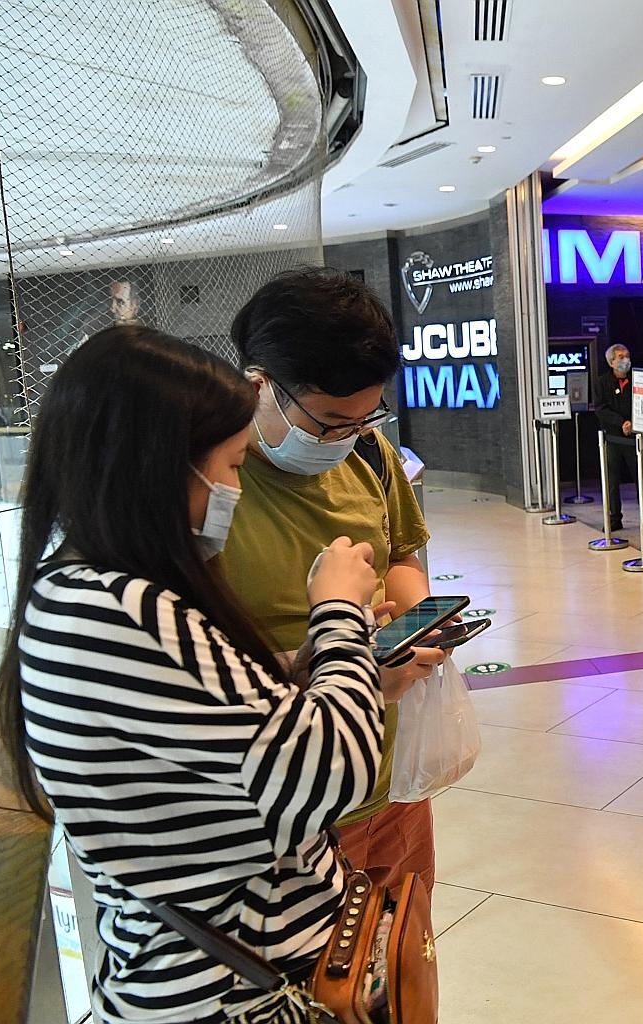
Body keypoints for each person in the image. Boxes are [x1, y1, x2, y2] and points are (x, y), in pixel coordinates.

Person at [0, 326, 388, 1023]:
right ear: (159, 468)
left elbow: (216, 731)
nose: (236, 486)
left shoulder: (92, 593)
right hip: (238, 991)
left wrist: (302, 668)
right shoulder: (118, 608)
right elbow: (332, 772)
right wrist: (337, 613)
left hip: (231, 971)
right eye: (231, 465)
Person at [217, 268, 447, 891]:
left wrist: (414, 629)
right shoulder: (204, 483)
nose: (346, 437)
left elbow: (402, 555)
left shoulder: (370, 451)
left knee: (399, 968)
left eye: (364, 418)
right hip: (280, 802)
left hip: (387, 781)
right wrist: (346, 664)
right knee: (314, 980)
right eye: (327, 423)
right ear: (259, 383)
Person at [596, 343, 643, 531]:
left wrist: (634, 423)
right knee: (612, 479)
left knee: (640, 475)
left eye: (627, 355)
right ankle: (615, 517)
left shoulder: (638, 379)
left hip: (635, 436)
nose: (625, 359)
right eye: (620, 357)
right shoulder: (602, 382)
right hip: (613, 437)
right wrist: (621, 423)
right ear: (611, 362)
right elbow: (600, 409)